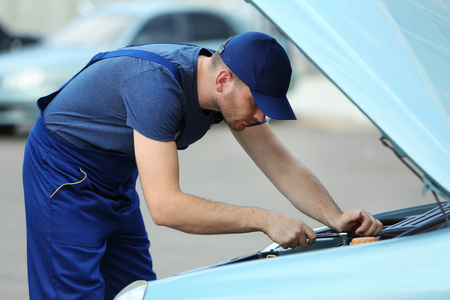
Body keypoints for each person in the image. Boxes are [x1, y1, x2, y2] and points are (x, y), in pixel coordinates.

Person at [22, 31, 383, 300]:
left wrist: (335, 218)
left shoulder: (225, 90)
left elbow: (280, 164)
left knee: (134, 290)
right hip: (63, 172)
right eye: (256, 103)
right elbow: (166, 207)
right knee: (71, 293)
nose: (260, 116)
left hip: (114, 174)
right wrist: (266, 219)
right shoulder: (156, 88)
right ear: (223, 80)